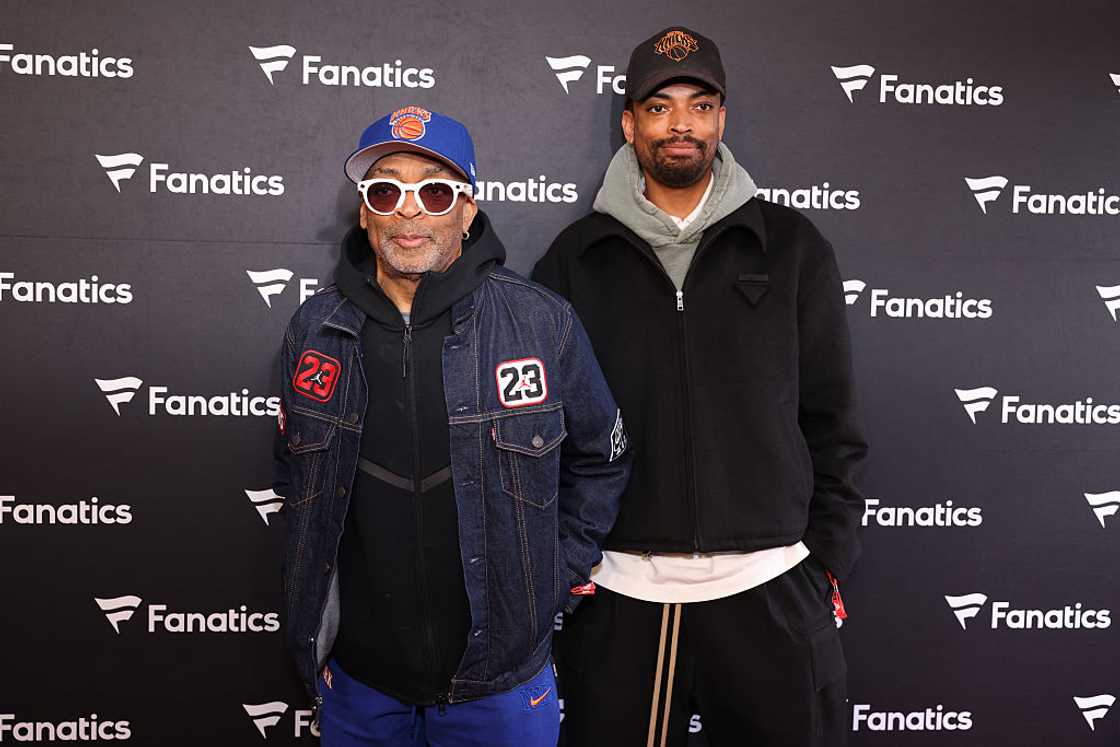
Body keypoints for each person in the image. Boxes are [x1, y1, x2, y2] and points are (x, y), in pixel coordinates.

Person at [533, 26, 868, 747]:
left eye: (700, 105)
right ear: (630, 124)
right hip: (622, 591)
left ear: (723, 119)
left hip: (772, 585)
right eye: (660, 107)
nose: (681, 124)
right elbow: (544, 434)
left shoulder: (793, 249)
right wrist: (571, 560)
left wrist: (824, 562)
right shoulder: (574, 261)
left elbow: (832, 419)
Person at [273, 106, 631, 747]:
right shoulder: (315, 329)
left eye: (434, 192)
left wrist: (552, 579)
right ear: (365, 213)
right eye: (386, 191)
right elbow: (296, 475)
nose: (409, 211)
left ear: (467, 210)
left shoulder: (540, 323)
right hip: (359, 681)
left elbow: (601, 458)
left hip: (502, 681)